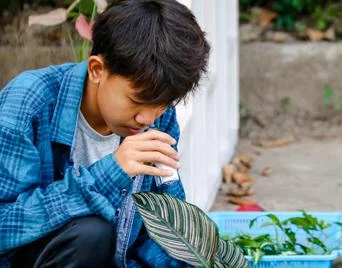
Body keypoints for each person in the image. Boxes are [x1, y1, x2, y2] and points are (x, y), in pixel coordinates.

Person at [0, 0, 210, 267]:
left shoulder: (159, 117)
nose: (146, 119)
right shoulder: (28, 103)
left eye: (162, 105)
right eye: (136, 101)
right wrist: (109, 174)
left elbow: (161, 228)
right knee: (90, 234)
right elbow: (4, 225)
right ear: (97, 69)